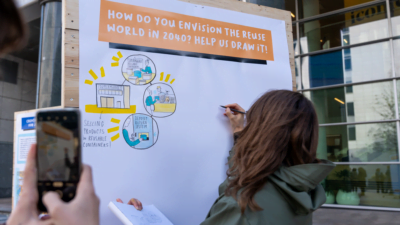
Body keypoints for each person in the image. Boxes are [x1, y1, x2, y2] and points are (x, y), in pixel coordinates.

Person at [118, 90, 335, 225]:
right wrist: (239, 133)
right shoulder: (298, 190)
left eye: (254, 122)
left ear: (264, 132)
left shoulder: (242, 207)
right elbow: (252, 175)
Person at [6, 145, 100, 225]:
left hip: (73, 182)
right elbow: (68, 163)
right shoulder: (68, 161)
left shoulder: (74, 161)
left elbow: (68, 164)